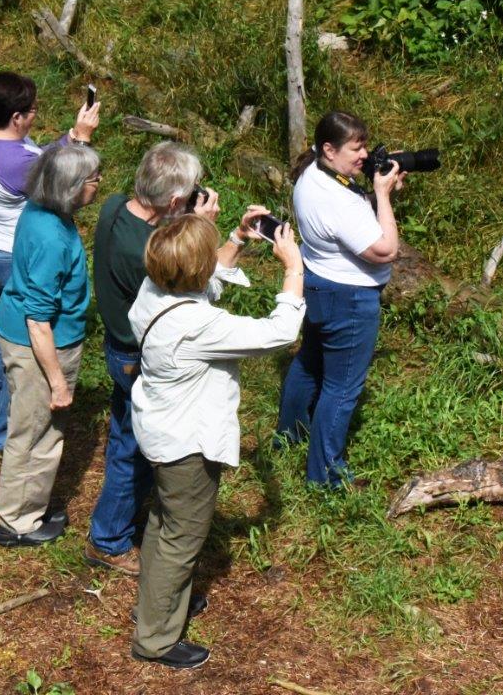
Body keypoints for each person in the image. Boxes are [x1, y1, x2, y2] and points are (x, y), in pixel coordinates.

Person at [85, 141, 272, 576]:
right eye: (189, 196)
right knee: (134, 449)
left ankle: (114, 529)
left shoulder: (115, 207)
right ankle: (109, 539)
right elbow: (197, 282)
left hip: (118, 347)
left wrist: (231, 236)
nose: (196, 200)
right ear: (174, 202)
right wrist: (198, 230)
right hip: (140, 359)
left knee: (125, 436)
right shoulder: (148, 252)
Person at [129, 215, 305, 669]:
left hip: (159, 430)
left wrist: (236, 240)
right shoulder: (196, 326)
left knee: (163, 523)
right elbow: (278, 333)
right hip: (186, 445)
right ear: (197, 269)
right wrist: (293, 271)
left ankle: (159, 604)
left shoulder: (154, 292)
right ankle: (156, 639)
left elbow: (203, 286)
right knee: (181, 537)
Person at [0, 71, 99, 452]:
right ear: (17, 118)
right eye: (32, 110)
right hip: (13, 252)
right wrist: (82, 141)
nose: (36, 114)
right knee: (24, 339)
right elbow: (55, 177)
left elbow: (41, 157)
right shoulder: (18, 161)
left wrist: (71, 137)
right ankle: (5, 434)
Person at [276, 111, 404, 487]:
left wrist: (376, 196)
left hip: (318, 283)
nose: (364, 154)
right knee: (342, 387)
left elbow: (346, 211)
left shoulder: (311, 174)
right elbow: (385, 250)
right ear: (329, 149)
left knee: (310, 362)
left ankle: (290, 436)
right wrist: (381, 195)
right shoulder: (338, 199)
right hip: (349, 299)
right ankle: (325, 477)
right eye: (357, 147)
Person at [0, 144, 101, 547]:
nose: (98, 183)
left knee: (32, 426)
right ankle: (18, 522)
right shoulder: (53, 237)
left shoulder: (40, 211)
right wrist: (57, 381)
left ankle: (28, 504)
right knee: (37, 432)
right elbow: (39, 321)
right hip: (41, 346)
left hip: (24, 335)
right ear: (71, 187)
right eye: (93, 179)